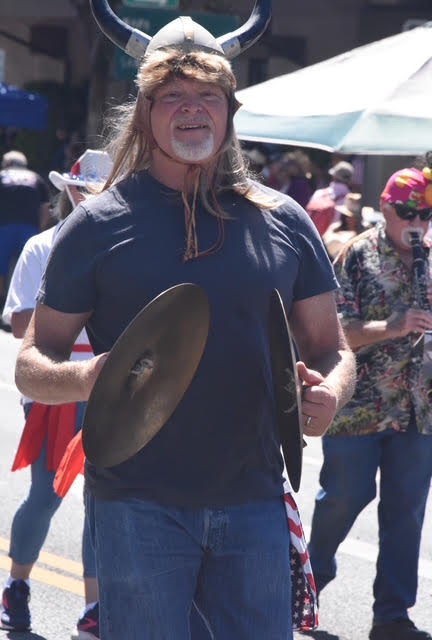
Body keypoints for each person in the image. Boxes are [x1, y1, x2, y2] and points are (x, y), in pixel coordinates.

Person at [14, 5, 356, 639]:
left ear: (229, 111)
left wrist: (330, 391)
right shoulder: (96, 224)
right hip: (135, 504)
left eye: (208, 96)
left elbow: (331, 347)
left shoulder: (283, 220)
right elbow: (32, 365)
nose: (192, 109)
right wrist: (88, 378)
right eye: (173, 95)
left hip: (255, 498)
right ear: (145, 112)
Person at [307, 165, 432, 640]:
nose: (417, 222)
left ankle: (392, 617)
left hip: (418, 411)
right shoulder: (358, 254)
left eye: (426, 214)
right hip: (359, 409)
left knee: (406, 514)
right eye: (408, 212)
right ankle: (304, 593)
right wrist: (392, 327)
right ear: (385, 207)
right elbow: (332, 333)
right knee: (342, 500)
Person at [0, 149, 113, 639]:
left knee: (102, 500)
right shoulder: (42, 246)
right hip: (57, 385)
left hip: (111, 388)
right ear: (69, 190)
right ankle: (16, 585)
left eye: (101, 191)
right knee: (46, 494)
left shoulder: (127, 244)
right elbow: (21, 323)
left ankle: (94, 606)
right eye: (84, 190)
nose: (91, 199)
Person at [0, 150, 51, 316]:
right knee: (29, 268)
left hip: (4, 228)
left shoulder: (2, 176)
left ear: (7, 164)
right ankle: (25, 306)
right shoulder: (36, 178)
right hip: (29, 228)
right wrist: (40, 231)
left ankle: (2, 304)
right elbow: (45, 208)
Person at [306, 159, 354, 236]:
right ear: (350, 180)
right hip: (335, 239)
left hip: (312, 236)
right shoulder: (351, 199)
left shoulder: (319, 193)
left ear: (333, 177)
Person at [322, 192, 364, 260]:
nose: (356, 221)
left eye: (357, 218)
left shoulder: (367, 230)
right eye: (354, 218)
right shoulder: (334, 233)